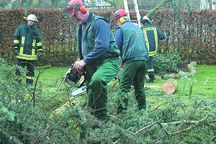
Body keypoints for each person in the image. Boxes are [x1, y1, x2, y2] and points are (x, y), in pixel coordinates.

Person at [66, 0, 120, 120]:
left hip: (109, 60)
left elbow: (102, 47)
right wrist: (79, 63)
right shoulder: (81, 27)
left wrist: (84, 61)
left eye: (75, 15)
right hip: (91, 63)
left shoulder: (99, 23)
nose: (74, 18)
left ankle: (102, 120)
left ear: (83, 9)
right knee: (91, 89)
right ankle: (91, 120)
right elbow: (82, 49)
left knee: (98, 80)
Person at [111, 9, 149, 114]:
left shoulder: (121, 29)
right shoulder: (137, 28)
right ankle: (142, 111)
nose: (116, 22)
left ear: (121, 19)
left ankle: (121, 113)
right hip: (143, 60)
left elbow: (116, 48)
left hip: (131, 61)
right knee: (139, 88)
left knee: (124, 88)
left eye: (117, 20)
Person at [13, 14, 43, 85]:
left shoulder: (36, 30)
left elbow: (38, 41)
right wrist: (15, 48)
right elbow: (16, 38)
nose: (31, 22)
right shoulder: (20, 28)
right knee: (19, 70)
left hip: (31, 55)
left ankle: (29, 85)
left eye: (33, 21)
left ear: (34, 22)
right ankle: (17, 84)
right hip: (21, 54)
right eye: (30, 20)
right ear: (27, 20)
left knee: (30, 71)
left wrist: (40, 50)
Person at [142, 16, 166, 83]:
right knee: (149, 63)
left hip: (145, 50)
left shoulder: (142, 29)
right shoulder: (155, 28)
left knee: (143, 63)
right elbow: (162, 36)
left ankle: (146, 78)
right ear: (149, 21)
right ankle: (151, 78)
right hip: (153, 50)